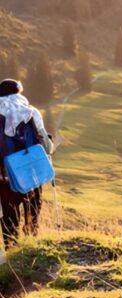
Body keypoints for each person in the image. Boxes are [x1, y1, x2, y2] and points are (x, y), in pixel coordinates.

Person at [0, 79, 54, 248]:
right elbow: (46, 146)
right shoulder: (31, 112)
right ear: (18, 93)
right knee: (32, 214)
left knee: (9, 218)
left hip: (5, 175)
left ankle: (11, 255)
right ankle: (32, 249)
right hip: (32, 171)